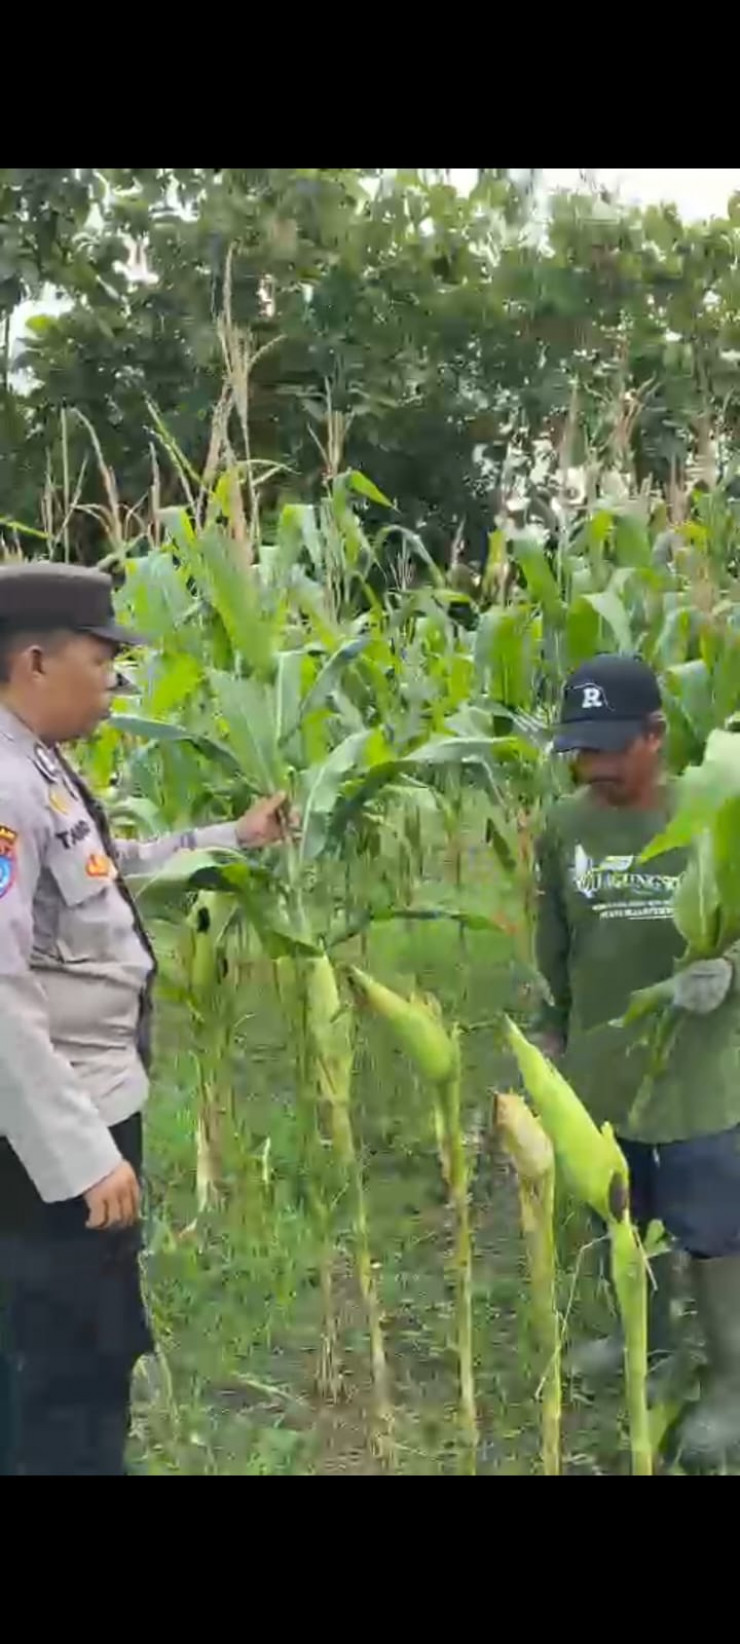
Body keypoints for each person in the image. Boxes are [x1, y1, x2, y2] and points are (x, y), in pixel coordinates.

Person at [0, 562, 295, 1476]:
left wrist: (227, 842)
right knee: (69, 1356)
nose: (116, 679)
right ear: (39, 661)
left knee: (74, 1339)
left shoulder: (36, 763)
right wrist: (80, 1156)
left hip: (84, 1102)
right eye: (103, 657)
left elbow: (106, 868)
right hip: (52, 1131)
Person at [534, 652, 740, 1468]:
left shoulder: (717, 810)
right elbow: (555, 940)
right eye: (582, 751)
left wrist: (730, 970)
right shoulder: (565, 825)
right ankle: (643, 1348)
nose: (596, 768)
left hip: (700, 1075)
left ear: (657, 734)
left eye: (613, 748)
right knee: (620, 1213)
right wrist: (550, 1031)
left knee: (716, 1235)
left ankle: (729, 1383)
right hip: (604, 1068)